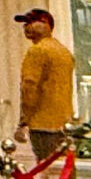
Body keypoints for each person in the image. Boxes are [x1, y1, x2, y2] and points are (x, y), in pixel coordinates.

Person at [14, 9, 75, 161]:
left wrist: (24, 120)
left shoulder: (37, 51)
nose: (27, 27)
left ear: (46, 25)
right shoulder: (63, 51)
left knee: (45, 165)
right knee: (60, 164)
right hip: (64, 119)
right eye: (25, 24)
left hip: (42, 121)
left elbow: (29, 86)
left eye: (31, 22)